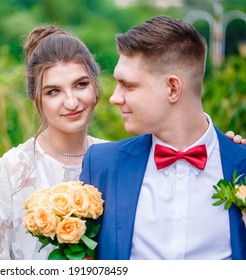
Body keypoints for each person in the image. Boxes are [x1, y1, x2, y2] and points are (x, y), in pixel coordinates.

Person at [79, 15, 246, 260]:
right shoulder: (102, 165)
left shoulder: (241, 162)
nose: (115, 98)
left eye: (129, 85)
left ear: (172, 88)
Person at [0, 25, 105, 260]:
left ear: (95, 84)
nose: (72, 102)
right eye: (54, 92)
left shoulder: (114, 159)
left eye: (80, 85)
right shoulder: (12, 172)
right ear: (35, 98)